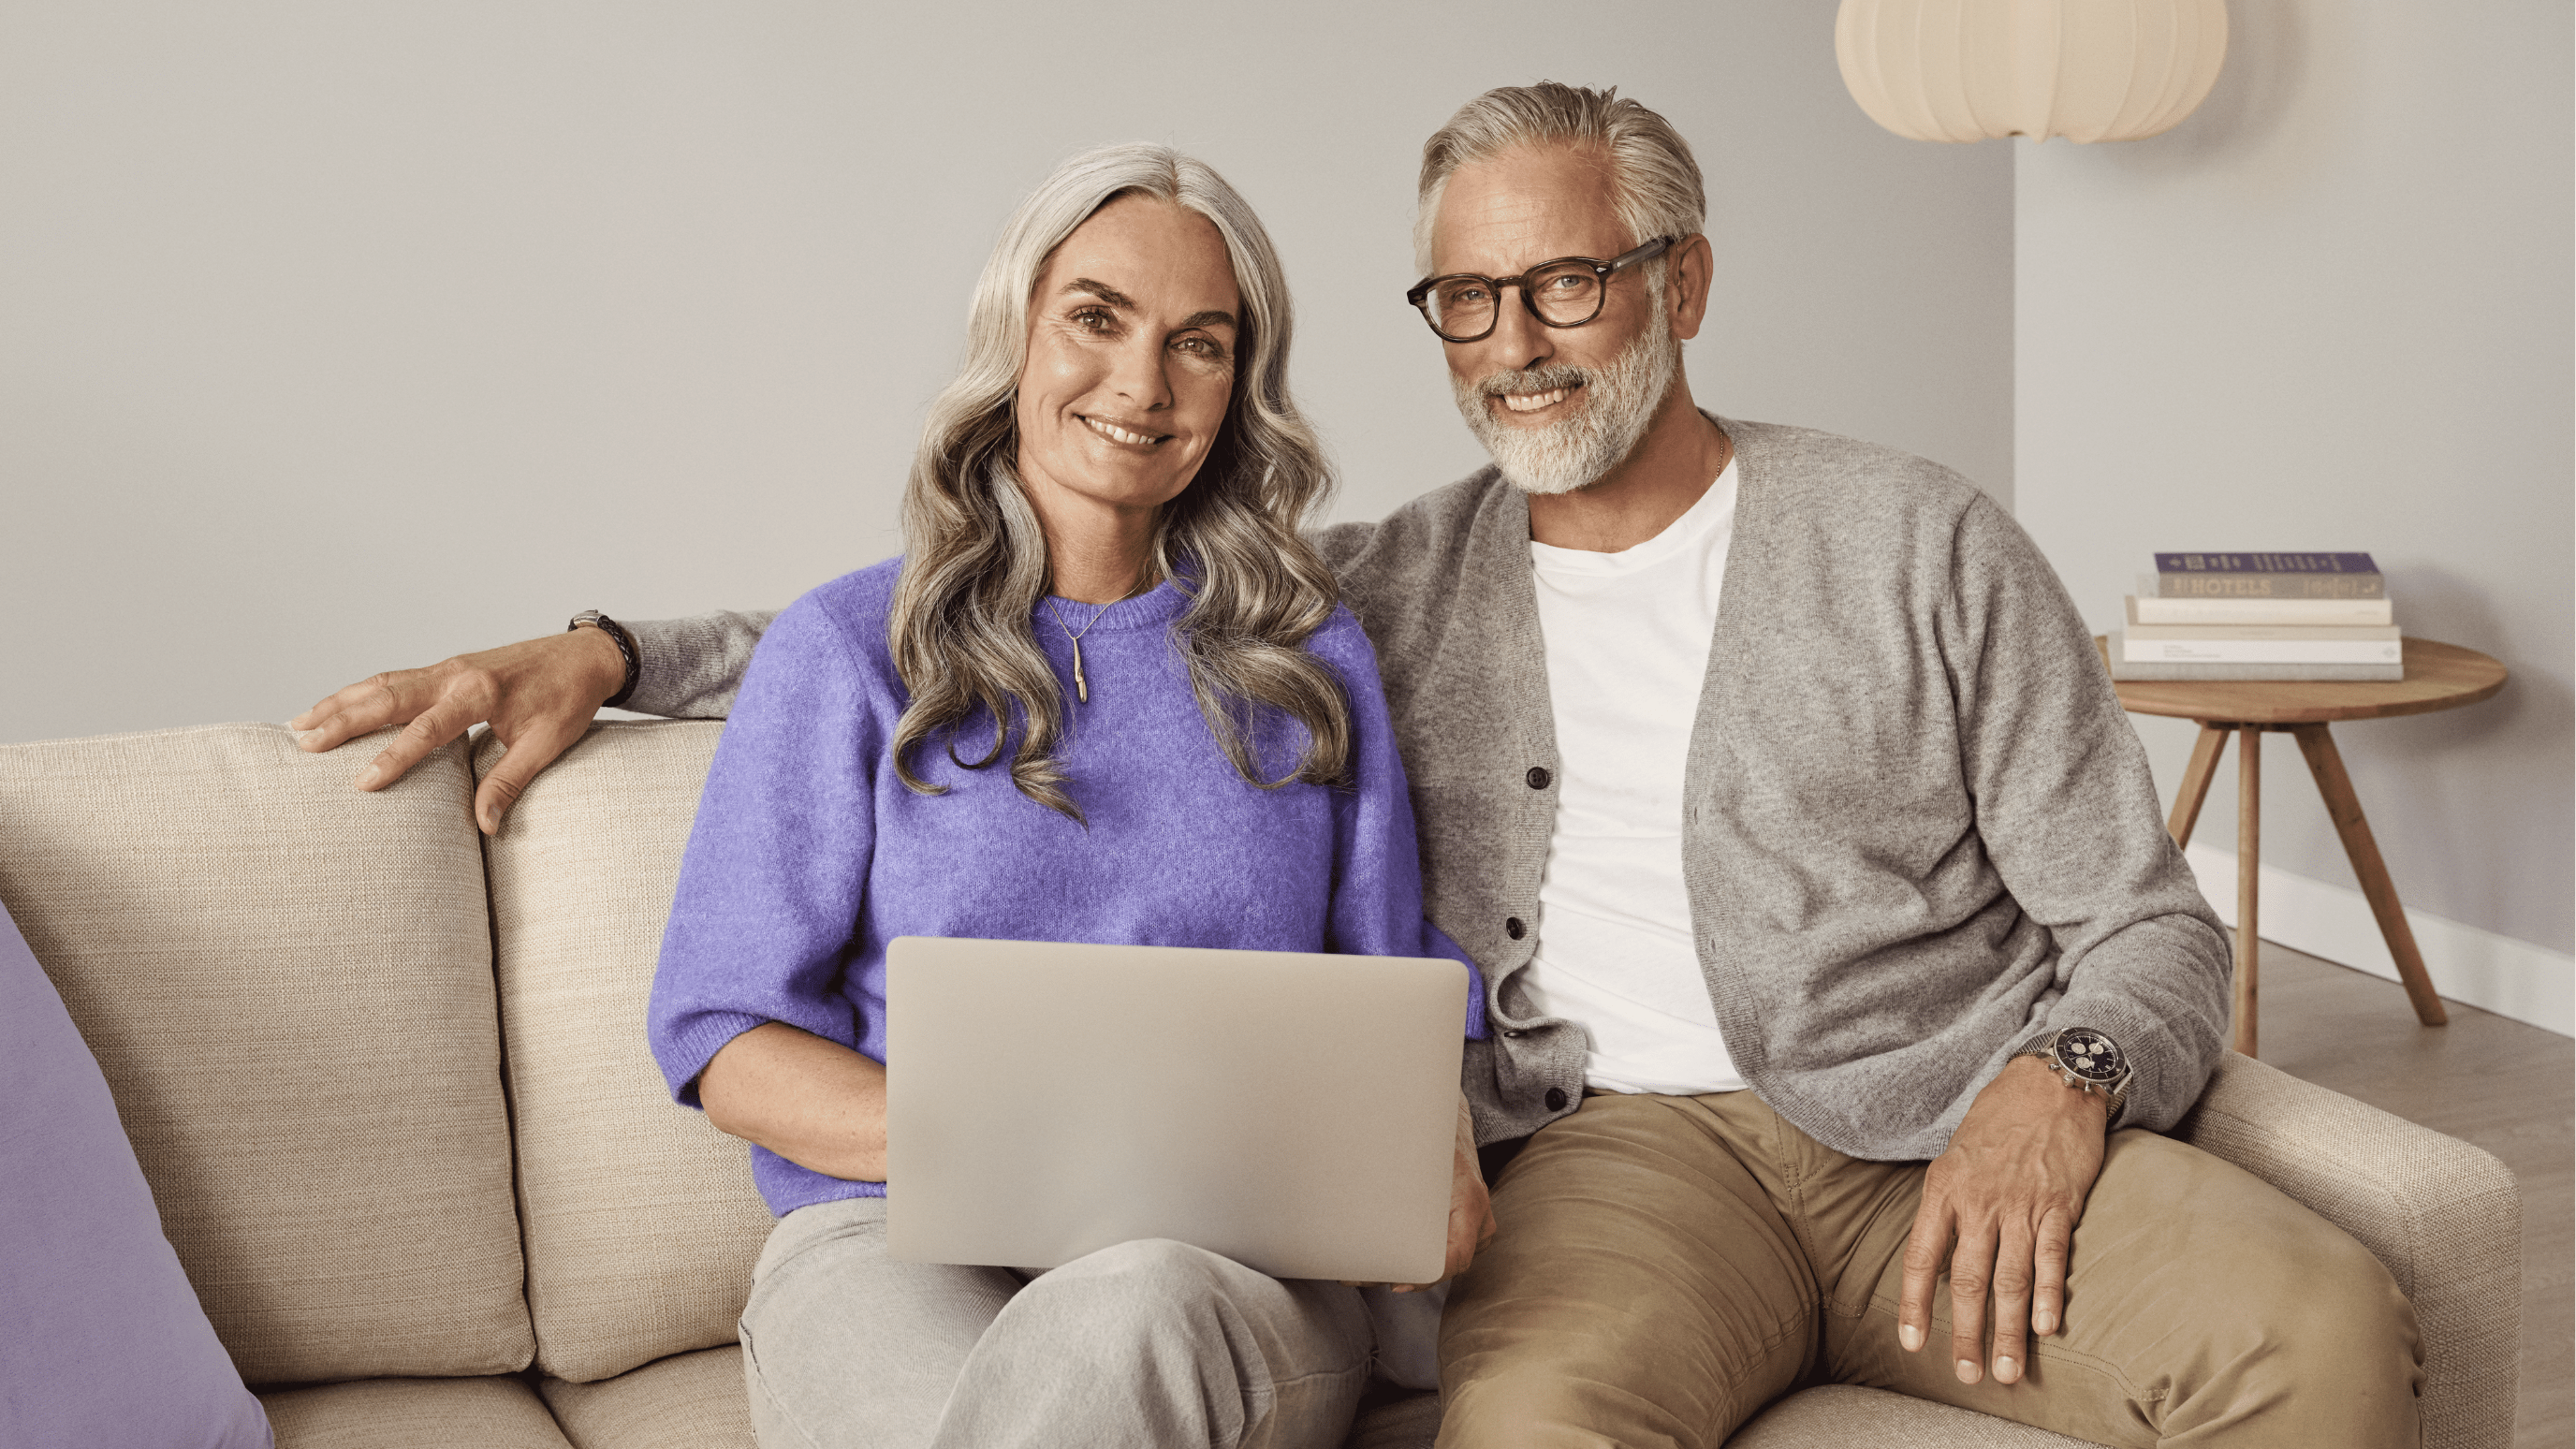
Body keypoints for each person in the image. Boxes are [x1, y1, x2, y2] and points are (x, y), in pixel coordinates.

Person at [294, 86, 2424, 1448]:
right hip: (1350, 1193)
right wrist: (594, 647)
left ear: (1676, 283)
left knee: (2329, 1334)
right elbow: (938, 635)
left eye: (1564, 279)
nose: (1512, 340)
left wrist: (2054, 1089)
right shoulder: (1257, 608)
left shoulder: (1408, 624)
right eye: (1466, 296)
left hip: (1781, 1157)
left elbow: (2136, 927)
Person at [636, 143, 1492, 1449]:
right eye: (1096, 319)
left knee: (1126, 1308)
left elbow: (1393, 1007)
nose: (1141, 384)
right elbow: (724, 1038)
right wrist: (1013, 1140)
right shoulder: (845, 651)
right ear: (1018, 337)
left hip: (1221, 1273)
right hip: (889, 1240)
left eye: (1199, 344)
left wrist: (1439, 1157)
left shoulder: (1310, 663)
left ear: (1239, 387)